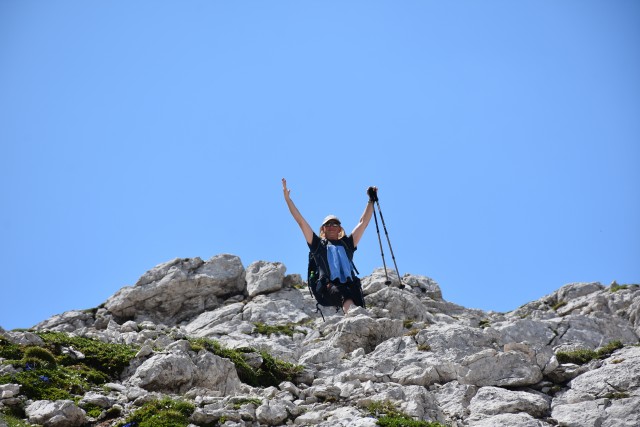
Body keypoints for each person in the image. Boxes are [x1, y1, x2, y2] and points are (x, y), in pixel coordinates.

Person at [282, 178, 377, 314]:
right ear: (323, 229)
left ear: (340, 229)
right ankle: (353, 316)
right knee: (345, 294)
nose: (332, 226)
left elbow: (363, 223)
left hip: (350, 284)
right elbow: (301, 222)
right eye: (328, 224)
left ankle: (356, 320)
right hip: (328, 288)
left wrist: (371, 200)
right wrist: (288, 200)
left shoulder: (347, 244)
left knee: (356, 299)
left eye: (335, 224)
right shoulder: (318, 245)